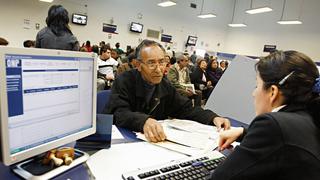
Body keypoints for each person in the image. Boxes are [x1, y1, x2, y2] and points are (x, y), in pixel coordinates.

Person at [210, 50, 320, 180]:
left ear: (273, 92)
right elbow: (289, 138)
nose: (253, 93)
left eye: (257, 85)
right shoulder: (309, 116)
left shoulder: (272, 124)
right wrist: (243, 132)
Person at [106, 39, 230, 143]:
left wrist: (212, 117)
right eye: (151, 63)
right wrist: (143, 121)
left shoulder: (164, 84)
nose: (159, 69)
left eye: (162, 62)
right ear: (138, 65)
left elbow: (185, 109)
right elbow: (118, 113)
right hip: (125, 140)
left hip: (153, 143)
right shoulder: (124, 80)